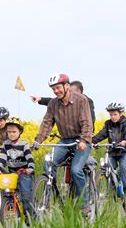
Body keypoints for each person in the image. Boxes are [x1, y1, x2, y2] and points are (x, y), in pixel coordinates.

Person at [33, 73, 93, 214]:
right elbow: (47, 123)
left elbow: (86, 123)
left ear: (67, 86)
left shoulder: (81, 100)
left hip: (81, 141)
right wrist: (38, 140)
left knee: (76, 170)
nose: (56, 91)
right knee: (48, 162)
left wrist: (84, 140)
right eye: (53, 89)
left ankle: (84, 204)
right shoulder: (53, 104)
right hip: (65, 141)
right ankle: (53, 196)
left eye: (58, 87)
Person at [92, 102, 126, 198]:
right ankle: (112, 192)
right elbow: (102, 134)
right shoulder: (108, 124)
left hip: (124, 151)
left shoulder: (125, 123)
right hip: (112, 151)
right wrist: (92, 141)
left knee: (124, 166)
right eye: (111, 115)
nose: (113, 117)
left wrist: (125, 140)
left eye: (115, 114)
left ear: (121, 114)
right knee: (107, 167)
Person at [0, 117, 35, 215]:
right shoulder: (5, 144)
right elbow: (2, 158)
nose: (11, 134)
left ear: (20, 132)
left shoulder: (23, 144)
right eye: (9, 132)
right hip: (12, 172)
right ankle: (10, 205)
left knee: (25, 195)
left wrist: (30, 168)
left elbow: (29, 158)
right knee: (7, 189)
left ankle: (29, 216)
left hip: (24, 172)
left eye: (14, 131)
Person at [30, 80, 96, 129]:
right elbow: (53, 101)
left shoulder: (86, 101)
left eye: (70, 91)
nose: (68, 93)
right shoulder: (65, 99)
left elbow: (91, 118)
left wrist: (89, 135)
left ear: (79, 92)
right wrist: (40, 99)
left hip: (83, 134)